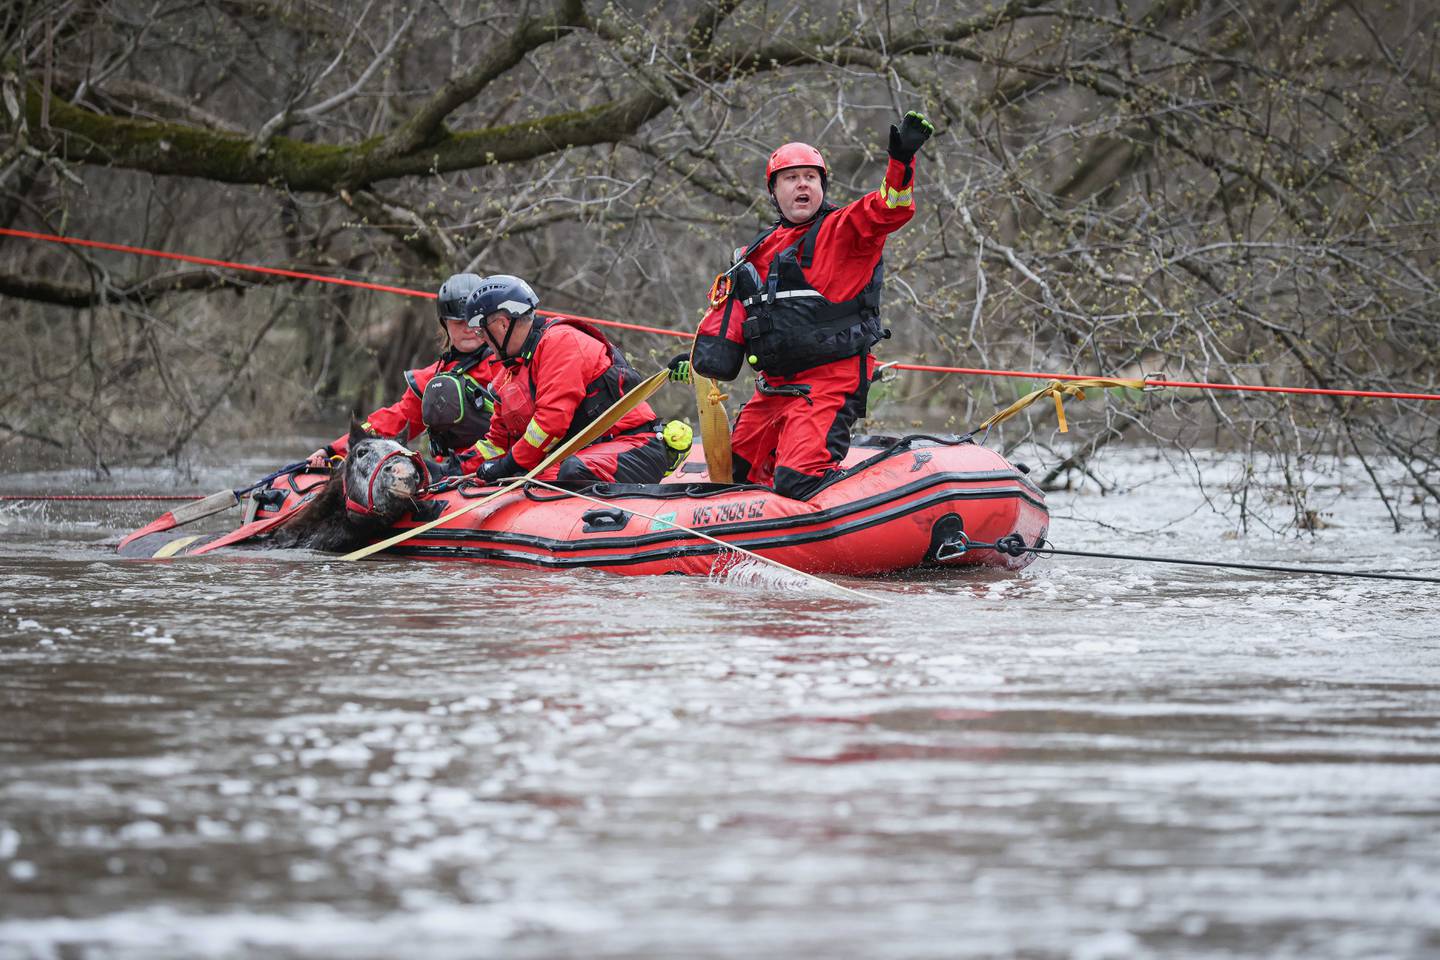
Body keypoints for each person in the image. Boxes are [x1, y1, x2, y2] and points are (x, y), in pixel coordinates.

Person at [687, 111, 934, 499]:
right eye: (791, 178)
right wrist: (694, 357)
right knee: (733, 476)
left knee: (798, 481)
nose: (802, 185)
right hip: (773, 387)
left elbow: (891, 207)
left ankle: (876, 504)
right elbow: (728, 315)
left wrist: (901, 162)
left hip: (829, 381)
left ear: (821, 187)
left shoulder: (845, 230)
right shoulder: (752, 252)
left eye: (810, 178)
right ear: (774, 191)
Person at [465, 274, 670, 485]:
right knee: (545, 478)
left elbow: (551, 422)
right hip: (580, 455)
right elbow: (499, 441)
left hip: (633, 446)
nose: (483, 341)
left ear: (502, 324)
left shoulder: (561, 342)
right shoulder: (509, 373)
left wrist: (509, 465)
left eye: (482, 332)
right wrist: (455, 467)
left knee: (566, 474)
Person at [305, 273, 501, 475]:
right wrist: (331, 450)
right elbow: (391, 422)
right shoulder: (432, 380)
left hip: (503, 469)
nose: (468, 329)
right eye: (458, 322)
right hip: (453, 475)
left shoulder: (510, 366)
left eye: (473, 321)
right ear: (445, 324)